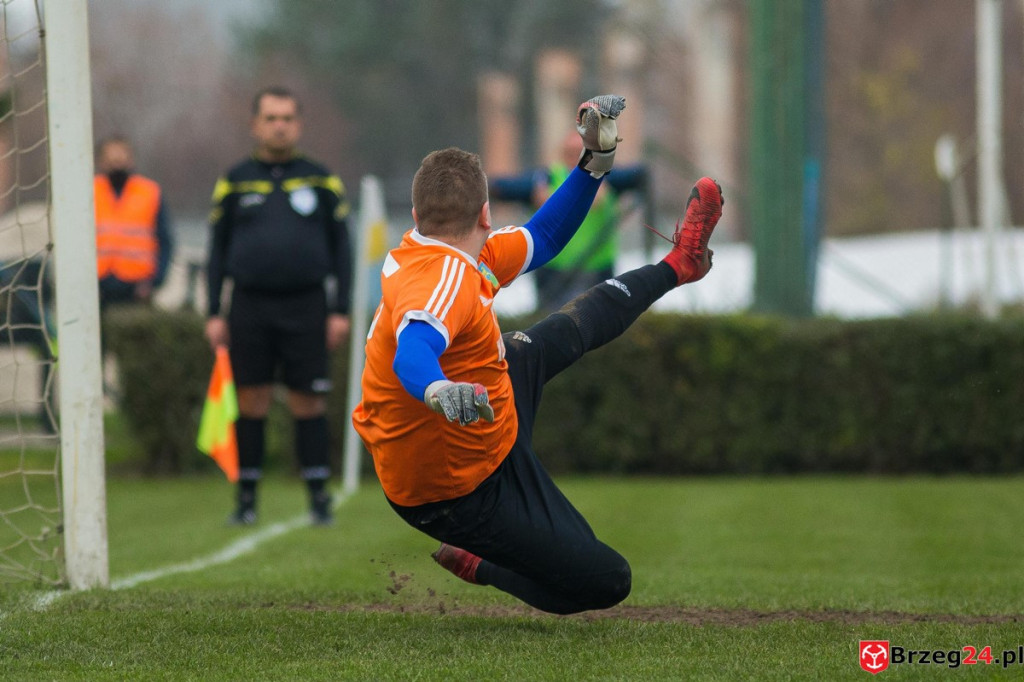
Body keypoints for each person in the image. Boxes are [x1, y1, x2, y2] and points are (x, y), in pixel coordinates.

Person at [352, 95, 724, 614]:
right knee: (605, 581)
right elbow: (414, 348)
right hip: (453, 488)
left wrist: (595, 164)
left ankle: (679, 265)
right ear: (486, 214)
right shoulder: (443, 276)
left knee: (553, 336)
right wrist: (437, 389)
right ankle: (478, 563)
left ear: (417, 217)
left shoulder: (450, 249)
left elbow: (545, 234)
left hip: (482, 419)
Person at [205, 86, 352, 526]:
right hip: (249, 305)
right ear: (256, 125)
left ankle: (319, 500)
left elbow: (342, 248)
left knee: (309, 401)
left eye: (287, 118)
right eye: (271, 118)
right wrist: (213, 311)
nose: (279, 126)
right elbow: (217, 250)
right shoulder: (234, 180)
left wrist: (340, 309)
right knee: (251, 400)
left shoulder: (321, 179)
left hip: (307, 305)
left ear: (298, 124)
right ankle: (246, 501)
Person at [531, 130, 619, 310]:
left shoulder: (602, 174)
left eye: (581, 152)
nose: (576, 158)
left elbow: (597, 201)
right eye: (571, 153)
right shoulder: (550, 176)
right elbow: (542, 201)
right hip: (555, 268)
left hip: (596, 266)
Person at [94, 136, 174, 310]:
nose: (116, 163)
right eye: (111, 159)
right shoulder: (89, 190)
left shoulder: (149, 192)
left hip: (138, 287)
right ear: (101, 162)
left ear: (131, 160)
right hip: (96, 286)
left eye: (121, 157)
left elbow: (165, 240)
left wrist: (155, 281)